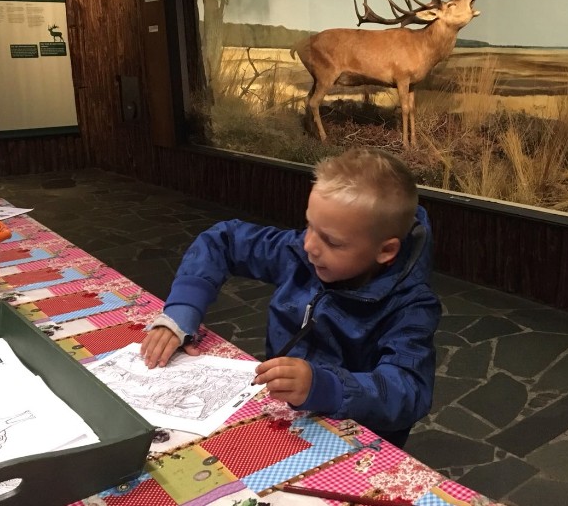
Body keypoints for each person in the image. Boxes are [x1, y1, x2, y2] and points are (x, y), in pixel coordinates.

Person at [140, 147, 441, 447]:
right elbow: (223, 241)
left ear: (386, 250)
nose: (310, 245)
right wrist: (182, 311)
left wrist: (328, 387)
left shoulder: (411, 305)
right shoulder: (298, 252)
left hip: (356, 443)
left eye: (331, 240)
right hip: (286, 417)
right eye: (310, 225)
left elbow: (409, 390)